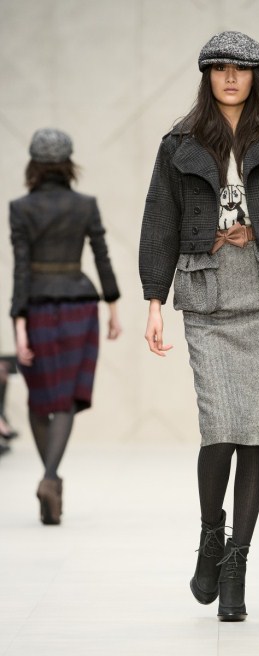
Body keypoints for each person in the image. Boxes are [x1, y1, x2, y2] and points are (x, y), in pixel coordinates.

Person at [139, 31, 259, 621]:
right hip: (208, 295)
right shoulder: (179, 145)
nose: (229, 77)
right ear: (207, 76)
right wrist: (153, 300)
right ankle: (210, 537)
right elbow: (159, 220)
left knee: (256, 432)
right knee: (219, 427)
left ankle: (238, 562)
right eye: (219, 67)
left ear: (255, 77)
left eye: (240, 69)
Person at [9, 128, 122, 525]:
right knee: (68, 397)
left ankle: (51, 479)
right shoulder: (85, 205)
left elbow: (21, 270)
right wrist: (113, 308)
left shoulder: (20, 208)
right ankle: (50, 477)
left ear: (34, 166)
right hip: (79, 305)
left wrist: (18, 325)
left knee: (40, 399)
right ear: (69, 164)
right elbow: (101, 256)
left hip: (37, 308)